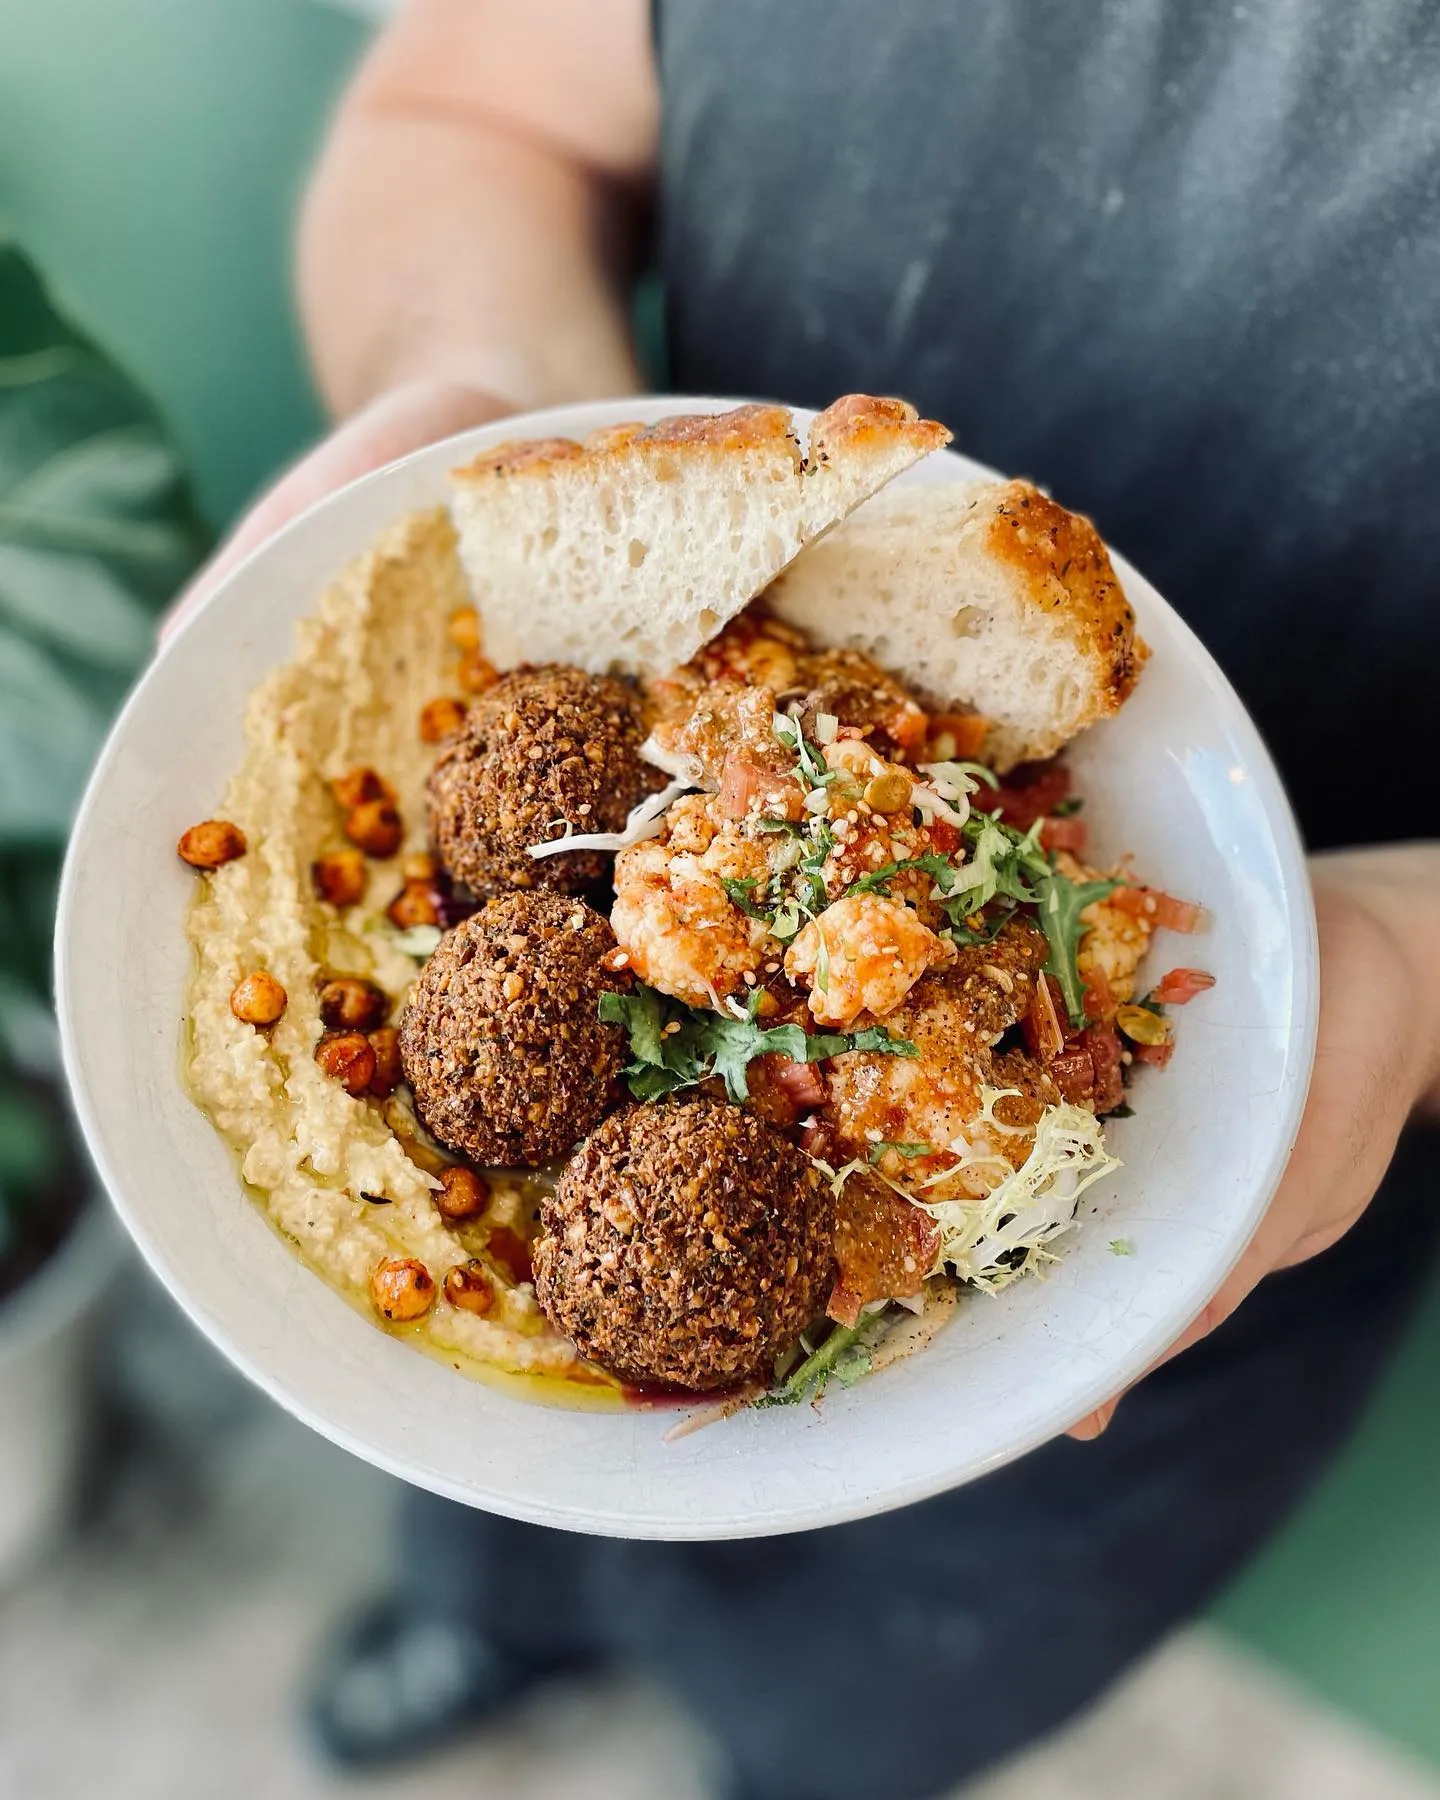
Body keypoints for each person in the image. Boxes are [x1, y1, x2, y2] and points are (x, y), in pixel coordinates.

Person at [174, 4, 1440, 1796]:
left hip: (1287, 1161)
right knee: (497, 1531)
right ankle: (485, 1637)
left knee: (885, 1696)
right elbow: (478, 103)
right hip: (668, 929)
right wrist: (472, 391)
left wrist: (1394, 952)